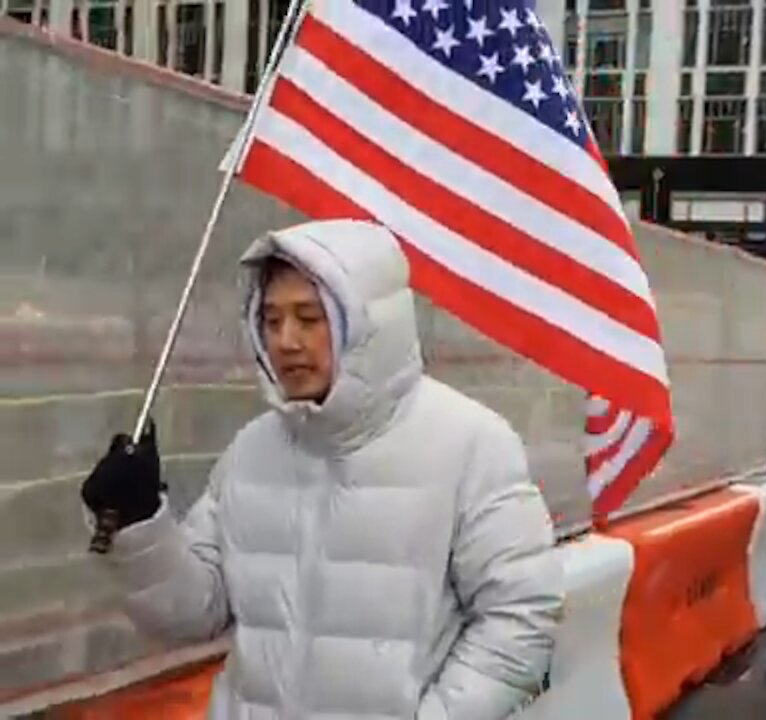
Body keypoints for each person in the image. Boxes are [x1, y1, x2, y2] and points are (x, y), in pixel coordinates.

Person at [79, 220, 564, 719]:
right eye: (270, 320)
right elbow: (191, 614)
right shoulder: (252, 451)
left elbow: (520, 616)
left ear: (370, 324)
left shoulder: (471, 445)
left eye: (309, 318)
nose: (286, 340)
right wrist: (139, 528)